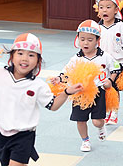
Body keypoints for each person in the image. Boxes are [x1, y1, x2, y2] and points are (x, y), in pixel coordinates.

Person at [0, 33, 83, 166]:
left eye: (31, 55)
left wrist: (66, 92)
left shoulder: (38, 85)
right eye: (20, 53)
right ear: (12, 56)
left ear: (38, 61)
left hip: (24, 135)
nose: (25, 59)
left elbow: (52, 105)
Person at [51, 20, 119, 152]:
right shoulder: (76, 58)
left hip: (98, 92)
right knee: (80, 120)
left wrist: (110, 80)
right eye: (82, 39)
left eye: (90, 40)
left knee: (97, 121)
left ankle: (101, 127)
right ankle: (85, 140)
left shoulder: (105, 57)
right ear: (78, 39)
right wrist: (58, 79)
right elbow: (66, 73)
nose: (85, 43)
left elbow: (116, 67)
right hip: (80, 93)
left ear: (97, 40)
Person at [95, 0, 123, 125]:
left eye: (108, 7)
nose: (104, 10)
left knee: (114, 88)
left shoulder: (120, 26)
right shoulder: (97, 27)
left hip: (118, 62)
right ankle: (106, 111)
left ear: (116, 10)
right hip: (102, 63)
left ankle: (114, 112)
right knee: (103, 88)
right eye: (101, 7)